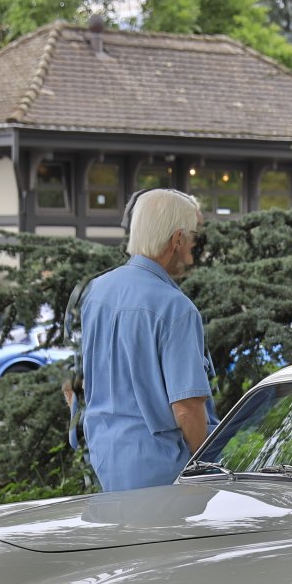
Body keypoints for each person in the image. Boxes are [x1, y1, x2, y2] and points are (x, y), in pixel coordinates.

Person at [78, 189, 215, 491]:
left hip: (106, 461)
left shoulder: (97, 291)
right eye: (194, 235)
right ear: (177, 239)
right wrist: (208, 467)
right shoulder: (175, 308)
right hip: (164, 475)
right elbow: (187, 409)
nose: (195, 243)